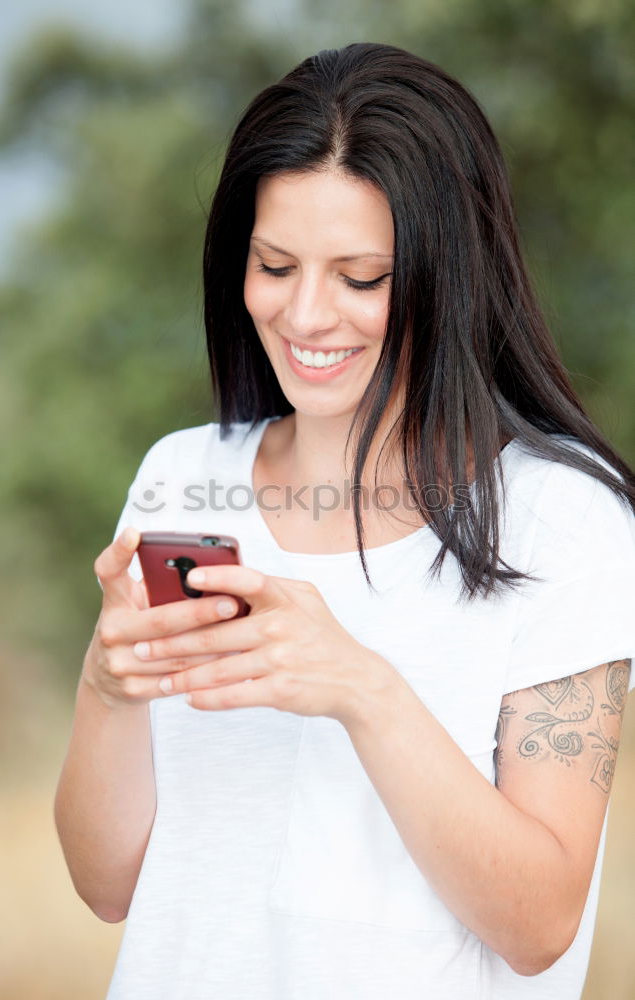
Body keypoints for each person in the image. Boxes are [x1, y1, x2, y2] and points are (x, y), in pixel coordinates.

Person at [54, 42, 635, 1000]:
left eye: (362, 278)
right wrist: (108, 690)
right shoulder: (183, 478)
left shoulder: (560, 518)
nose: (307, 315)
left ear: (452, 277)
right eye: (275, 265)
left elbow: (539, 924)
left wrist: (362, 690)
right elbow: (107, 884)